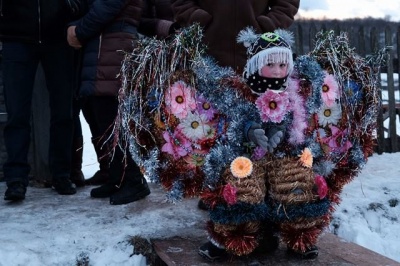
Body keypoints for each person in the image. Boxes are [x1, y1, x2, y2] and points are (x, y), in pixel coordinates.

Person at [67, 0, 179, 205]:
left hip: (113, 46)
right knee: (104, 118)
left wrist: (78, 31)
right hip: (105, 45)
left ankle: (134, 181)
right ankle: (117, 178)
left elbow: (106, 7)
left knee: (111, 119)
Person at [0, 0, 79, 201]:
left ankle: (61, 174)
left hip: (58, 39)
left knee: (63, 111)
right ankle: (16, 179)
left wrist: (72, 9)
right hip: (15, 38)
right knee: (17, 113)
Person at [171, 0, 300, 74]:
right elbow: (181, 2)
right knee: (204, 118)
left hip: (258, 59)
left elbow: (286, 4)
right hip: (204, 59)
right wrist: (198, 20)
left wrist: (267, 25)